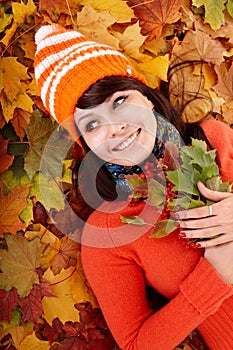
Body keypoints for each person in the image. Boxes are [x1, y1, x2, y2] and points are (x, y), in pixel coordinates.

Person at [34, 24, 233, 350]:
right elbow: (137, 343)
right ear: (86, 144)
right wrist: (217, 275)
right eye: (93, 124)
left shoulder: (215, 139)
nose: (115, 127)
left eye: (120, 100)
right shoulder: (108, 234)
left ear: (147, 97)